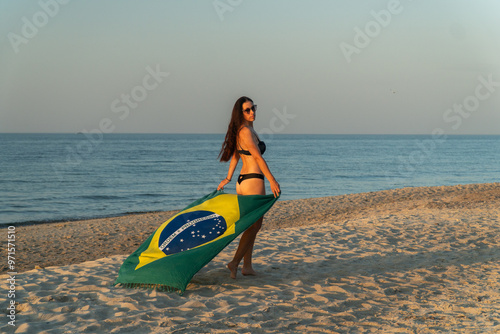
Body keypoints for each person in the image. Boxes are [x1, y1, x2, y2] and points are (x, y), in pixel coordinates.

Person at [217, 96, 280, 279]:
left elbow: (236, 156)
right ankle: (234, 262)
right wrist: (272, 180)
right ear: (240, 112)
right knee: (255, 225)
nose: (252, 112)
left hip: (242, 181)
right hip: (253, 180)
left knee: (251, 225)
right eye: (248, 110)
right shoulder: (245, 132)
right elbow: (258, 158)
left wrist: (228, 178)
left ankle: (247, 266)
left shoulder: (244, 130)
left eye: (254, 108)